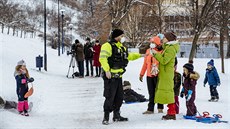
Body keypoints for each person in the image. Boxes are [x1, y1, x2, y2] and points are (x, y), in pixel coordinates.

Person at [99, 29, 143, 125]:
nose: (122, 38)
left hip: (119, 76)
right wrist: (106, 70)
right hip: (110, 76)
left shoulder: (121, 47)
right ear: (116, 36)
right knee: (109, 97)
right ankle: (106, 117)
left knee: (119, 97)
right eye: (121, 36)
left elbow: (129, 56)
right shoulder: (107, 46)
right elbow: (102, 58)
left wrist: (140, 55)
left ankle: (116, 115)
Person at [151, 32, 180, 120]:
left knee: (168, 92)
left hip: (167, 74)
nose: (162, 39)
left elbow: (164, 60)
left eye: (164, 37)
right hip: (165, 73)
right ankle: (171, 112)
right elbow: (162, 49)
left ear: (168, 39)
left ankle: (172, 113)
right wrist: (157, 48)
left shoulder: (171, 49)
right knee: (166, 92)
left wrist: (155, 53)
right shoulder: (167, 47)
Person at [139, 36, 164, 114]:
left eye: (153, 43)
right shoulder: (148, 51)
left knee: (159, 91)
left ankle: (160, 107)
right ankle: (150, 109)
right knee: (151, 92)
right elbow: (145, 64)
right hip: (149, 75)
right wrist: (141, 74)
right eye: (151, 42)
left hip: (158, 75)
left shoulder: (162, 52)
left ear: (157, 43)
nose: (151, 44)